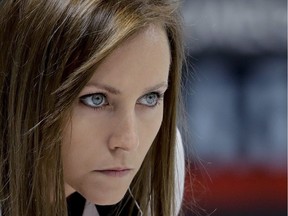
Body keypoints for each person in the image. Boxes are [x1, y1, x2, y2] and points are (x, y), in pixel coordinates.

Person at [0, 0, 186, 215]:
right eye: (96, 99)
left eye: (150, 98)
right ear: (26, 91)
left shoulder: (159, 164)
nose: (128, 141)